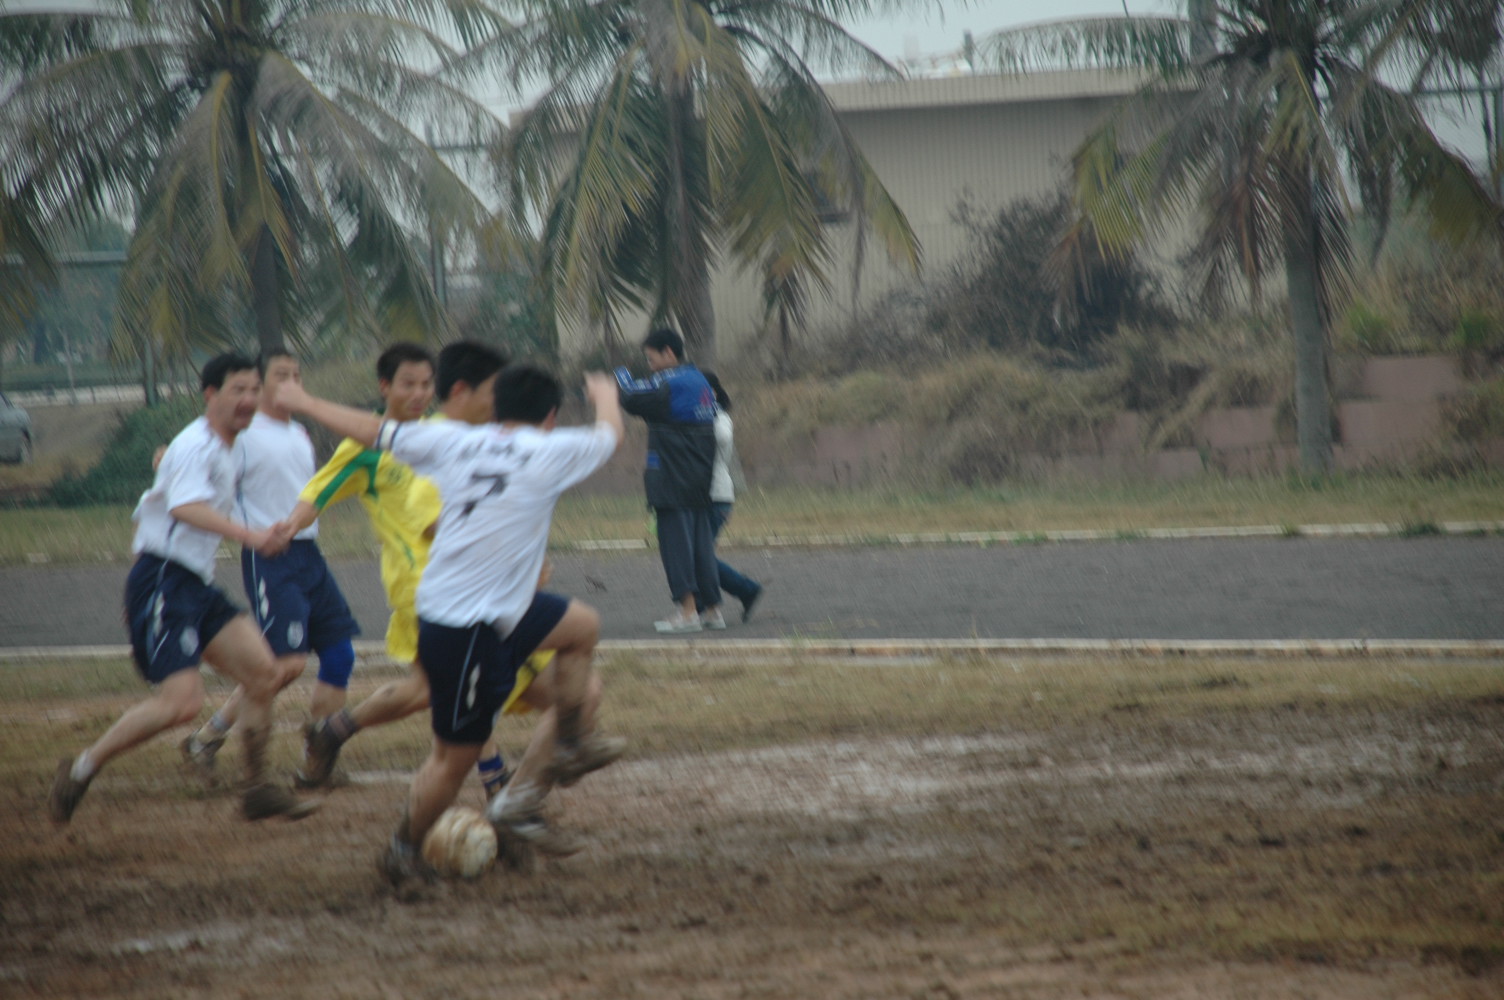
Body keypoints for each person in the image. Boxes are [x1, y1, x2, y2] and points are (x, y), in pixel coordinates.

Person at [275, 362, 628, 887]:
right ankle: (403, 848)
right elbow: (609, 434)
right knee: (453, 758)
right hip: (462, 620)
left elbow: (373, 430)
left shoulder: (456, 441)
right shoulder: (549, 450)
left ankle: (545, 773)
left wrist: (305, 403)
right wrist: (605, 395)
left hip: (501, 608)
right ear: (551, 417)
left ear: (498, 408)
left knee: (582, 627)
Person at [48, 353, 316, 825]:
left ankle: (257, 790)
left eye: (254, 390)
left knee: (263, 674)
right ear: (210, 394)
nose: (249, 399)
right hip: (164, 581)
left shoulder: (227, 445)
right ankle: (82, 768)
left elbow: (161, 498)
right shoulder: (199, 445)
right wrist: (252, 537)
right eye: (238, 390)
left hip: (192, 582)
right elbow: (184, 507)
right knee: (182, 704)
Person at [179, 351, 360, 781]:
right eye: (281, 376)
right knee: (285, 664)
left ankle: (316, 762)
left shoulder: (299, 433)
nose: (292, 382)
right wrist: (166, 455)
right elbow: (204, 460)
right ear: (261, 386)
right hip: (270, 559)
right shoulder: (246, 435)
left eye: (297, 375)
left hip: (309, 554)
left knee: (339, 655)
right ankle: (207, 737)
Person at [614, 328, 722, 633]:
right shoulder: (699, 379)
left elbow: (631, 397)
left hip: (672, 474)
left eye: (651, 359)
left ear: (669, 354)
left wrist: (618, 375)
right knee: (701, 544)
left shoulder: (670, 381)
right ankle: (712, 610)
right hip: (700, 475)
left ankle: (687, 612)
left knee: (676, 545)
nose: (650, 367)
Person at [700, 371, 764, 623]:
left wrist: (706, 413)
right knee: (699, 555)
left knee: (700, 556)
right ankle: (711, 601)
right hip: (707, 496)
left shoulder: (720, 417)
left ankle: (745, 590)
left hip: (717, 497)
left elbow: (724, 436)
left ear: (713, 393)